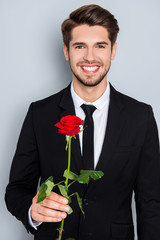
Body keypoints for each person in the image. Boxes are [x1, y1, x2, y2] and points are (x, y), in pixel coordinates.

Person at [5, 4, 160, 240]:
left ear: (113, 50)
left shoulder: (140, 116)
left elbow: (151, 204)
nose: (90, 57)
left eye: (100, 46)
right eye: (80, 46)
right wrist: (32, 211)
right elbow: (16, 190)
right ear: (67, 51)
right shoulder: (39, 113)